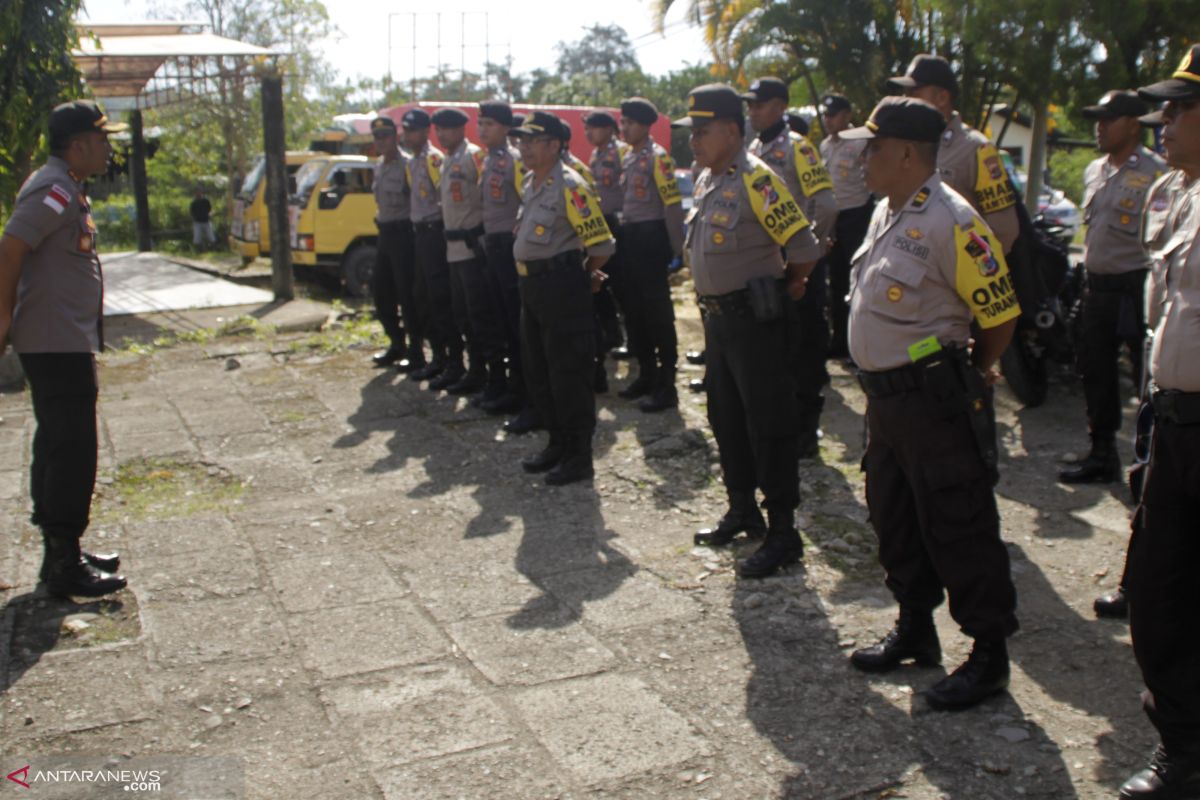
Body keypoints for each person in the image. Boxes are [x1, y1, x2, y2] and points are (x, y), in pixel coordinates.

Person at [842, 96, 1021, 711]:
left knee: (959, 521)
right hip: (887, 403)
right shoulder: (885, 211)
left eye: (872, 146)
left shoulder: (954, 221)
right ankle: (915, 627)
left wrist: (972, 370)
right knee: (894, 517)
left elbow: (999, 314)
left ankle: (988, 654)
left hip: (933, 399)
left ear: (907, 153)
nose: (864, 157)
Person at [676, 84, 822, 578]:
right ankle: (743, 510)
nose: (692, 140)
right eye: (690, 131)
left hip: (755, 323)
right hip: (717, 323)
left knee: (770, 425)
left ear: (733, 132)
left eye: (701, 131)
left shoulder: (759, 181)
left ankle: (784, 531)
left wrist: (792, 287)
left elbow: (802, 248)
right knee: (725, 416)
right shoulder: (704, 179)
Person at [0, 100, 128, 597]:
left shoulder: (65, 185)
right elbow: (11, 246)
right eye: (101, 140)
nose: (107, 148)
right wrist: (4, 316)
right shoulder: (54, 190)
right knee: (72, 446)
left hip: (61, 338)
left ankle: (62, 549)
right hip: (54, 341)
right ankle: (62, 564)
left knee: (59, 441)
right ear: (78, 145)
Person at [1117, 45, 1200, 800]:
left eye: (1179, 108)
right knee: (1158, 589)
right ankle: (1184, 745)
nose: (1161, 121)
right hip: (1173, 423)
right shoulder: (1177, 192)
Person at [1059, 91, 1164, 484]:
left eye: (1108, 119)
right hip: (1096, 285)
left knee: (1144, 375)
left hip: (1134, 286)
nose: (1099, 127)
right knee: (1095, 371)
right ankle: (1102, 454)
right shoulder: (1094, 170)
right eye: (1097, 119)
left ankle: (1150, 460)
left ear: (1133, 125)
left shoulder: (1157, 172)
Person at [510, 111, 615, 486]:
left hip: (561, 287)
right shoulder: (530, 181)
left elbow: (602, 243)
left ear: (554, 145)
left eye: (531, 141)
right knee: (539, 371)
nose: (523, 148)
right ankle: (556, 444)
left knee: (568, 374)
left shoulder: (570, 185)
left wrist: (583, 274)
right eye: (520, 141)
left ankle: (578, 456)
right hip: (532, 288)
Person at [743, 76, 837, 458]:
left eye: (760, 104)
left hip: (798, 265)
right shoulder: (752, 147)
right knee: (772, 349)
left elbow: (826, 203)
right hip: (764, 267)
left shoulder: (799, 147)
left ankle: (806, 431)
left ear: (780, 106)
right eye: (750, 105)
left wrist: (809, 250)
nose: (753, 111)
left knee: (804, 348)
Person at [889, 54, 1020, 254]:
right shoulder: (909, 144)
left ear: (942, 97)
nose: (905, 100)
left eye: (914, 92)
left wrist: (959, 268)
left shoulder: (977, 149)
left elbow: (1003, 232)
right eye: (904, 92)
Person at [432, 107, 507, 400]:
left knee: (481, 316)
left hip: (473, 249)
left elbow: (488, 200)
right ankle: (474, 372)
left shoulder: (473, 157)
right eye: (438, 129)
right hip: (453, 250)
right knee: (463, 316)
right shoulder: (446, 160)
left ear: (462, 130)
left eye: (447, 129)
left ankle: (494, 377)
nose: (441, 134)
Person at [617, 97, 685, 412]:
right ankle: (646, 373)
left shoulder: (658, 159)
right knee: (633, 311)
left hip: (651, 238)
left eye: (630, 123)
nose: (624, 127)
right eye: (623, 122)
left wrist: (676, 248)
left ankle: (667, 383)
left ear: (645, 126)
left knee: (657, 313)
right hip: (629, 238)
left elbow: (671, 206)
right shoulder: (628, 157)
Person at [477, 99, 537, 431]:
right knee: (501, 323)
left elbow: (527, 204)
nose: (482, 130)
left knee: (519, 327)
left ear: (504, 128)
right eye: (480, 123)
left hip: (510, 249)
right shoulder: (488, 161)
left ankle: (529, 397)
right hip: (492, 247)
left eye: (488, 124)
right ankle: (512, 390)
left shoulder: (514, 161)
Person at [403, 109, 464, 388]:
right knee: (422, 297)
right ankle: (438, 356)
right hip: (419, 236)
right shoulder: (412, 162)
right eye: (405, 130)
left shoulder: (433, 159)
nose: (408, 135)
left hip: (435, 235)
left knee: (440, 298)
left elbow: (446, 198)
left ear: (425, 132)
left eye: (413, 130)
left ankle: (453, 361)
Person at [819, 93, 874, 358]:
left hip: (857, 217)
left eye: (833, 115)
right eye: (826, 115)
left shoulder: (862, 142)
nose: (828, 120)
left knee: (858, 282)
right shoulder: (825, 147)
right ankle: (840, 339)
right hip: (834, 219)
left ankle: (859, 345)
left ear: (847, 115)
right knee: (837, 282)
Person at [368, 115, 420, 371]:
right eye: (377, 137)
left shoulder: (408, 165)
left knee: (406, 294)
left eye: (386, 136)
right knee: (380, 291)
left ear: (395, 137)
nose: (381, 141)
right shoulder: (379, 166)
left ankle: (416, 349)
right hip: (385, 233)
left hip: (403, 234)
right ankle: (396, 343)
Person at [584, 110, 630, 393]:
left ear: (609, 129)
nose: (589, 134)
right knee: (603, 285)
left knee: (623, 286)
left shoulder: (622, 153)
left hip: (619, 222)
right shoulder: (596, 155)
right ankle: (613, 334)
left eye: (594, 128)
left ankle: (629, 338)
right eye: (587, 129)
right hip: (601, 223)